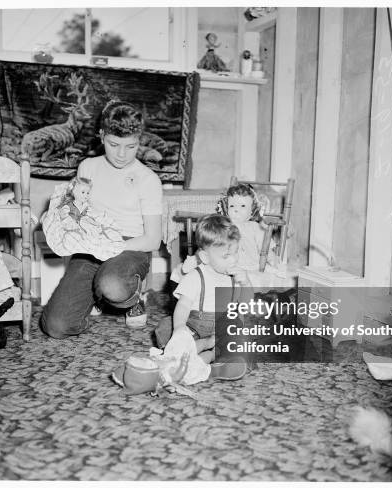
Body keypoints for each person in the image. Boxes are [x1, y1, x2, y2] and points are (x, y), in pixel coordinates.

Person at [41, 100, 163, 338]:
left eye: (131, 146)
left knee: (112, 285)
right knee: (55, 327)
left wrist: (111, 246)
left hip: (130, 246)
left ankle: (132, 298)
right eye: (113, 144)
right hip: (91, 246)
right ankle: (95, 296)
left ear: (139, 140)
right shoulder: (87, 167)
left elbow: (152, 240)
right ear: (101, 135)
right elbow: (77, 212)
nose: (121, 154)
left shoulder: (148, 180)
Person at [153, 214, 251, 376]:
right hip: (194, 329)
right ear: (205, 257)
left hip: (225, 328)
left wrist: (246, 283)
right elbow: (183, 305)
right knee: (164, 328)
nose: (233, 260)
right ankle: (203, 349)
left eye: (236, 252)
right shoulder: (196, 276)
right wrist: (179, 328)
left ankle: (211, 357)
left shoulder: (237, 277)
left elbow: (248, 303)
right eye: (226, 256)